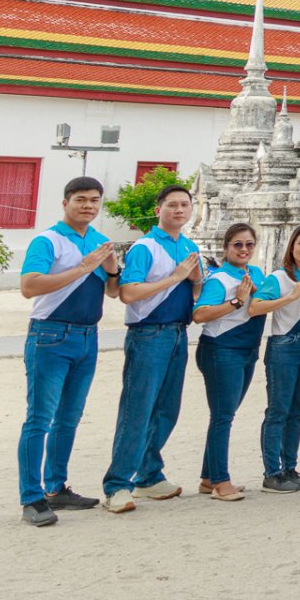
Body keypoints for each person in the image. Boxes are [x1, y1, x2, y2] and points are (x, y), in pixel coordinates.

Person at [16, 175, 120, 527]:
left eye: (94, 200)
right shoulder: (48, 240)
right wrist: (83, 267)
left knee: (69, 418)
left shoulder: (101, 241)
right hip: (51, 334)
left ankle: (56, 487)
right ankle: (31, 498)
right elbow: (29, 286)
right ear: (66, 203)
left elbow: (112, 292)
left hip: (89, 336)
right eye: (81, 199)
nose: (88, 206)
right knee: (39, 418)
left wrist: (112, 271)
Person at [102, 182, 202, 514]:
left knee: (166, 410)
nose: (179, 210)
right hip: (148, 333)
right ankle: (117, 485)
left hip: (178, 332)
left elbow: (195, 291)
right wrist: (176, 276)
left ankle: (148, 474)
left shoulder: (188, 246)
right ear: (159, 210)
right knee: (137, 410)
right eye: (172, 205)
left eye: (185, 205)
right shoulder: (145, 247)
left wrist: (195, 279)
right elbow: (128, 293)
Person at [248, 223, 300, 494]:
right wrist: (291, 296)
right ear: (292, 247)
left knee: (298, 410)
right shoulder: (279, 277)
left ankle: (290, 466)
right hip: (285, 344)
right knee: (278, 410)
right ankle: (272, 472)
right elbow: (255, 307)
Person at [191, 222, 264, 501]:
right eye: (238, 244)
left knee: (226, 414)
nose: (244, 249)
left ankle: (208, 477)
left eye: (249, 244)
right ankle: (221, 482)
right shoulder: (219, 279)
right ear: (225, 248)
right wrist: (237, 301)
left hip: (247, 348)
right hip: (222, 349)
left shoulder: (255, 273)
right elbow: (199, 315)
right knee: (222, 416)